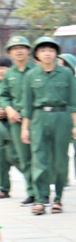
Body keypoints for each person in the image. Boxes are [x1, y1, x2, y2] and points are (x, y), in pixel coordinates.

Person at [21, 37, 76, 215]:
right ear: (37, 55)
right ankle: (40, 199)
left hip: (61, 116)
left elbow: (73, 102)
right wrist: (25, 128)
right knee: (39, 159)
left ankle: (58, 199)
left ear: (56, 54)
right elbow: (27, 104)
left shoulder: (66, 74)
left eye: (51, 50)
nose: (47, 54)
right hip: (39, 117)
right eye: (43, 51)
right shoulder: (31, 75)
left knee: (61, 160)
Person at [0, 35, 35, 205]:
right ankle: (33, 192)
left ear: (28, 51)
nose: (19, 51)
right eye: (14, 49)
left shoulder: (37, 70)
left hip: (36, 120)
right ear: (11, 52)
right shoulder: (10, 74)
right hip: (16, 120)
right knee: (24, 158)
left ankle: (43, 189)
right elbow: (4, 95)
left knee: (39, 157)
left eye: (22, 47)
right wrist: (9, 109)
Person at [58, 53, 76, 190]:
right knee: (60, 150)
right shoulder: (56, 80)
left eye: (63, 63)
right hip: (61, 117)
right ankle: (62, 178)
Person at [0, 57, 14, 199]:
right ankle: (3, 187)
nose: (1, 70)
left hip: (15, 124)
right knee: (1, 159)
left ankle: (37, 186)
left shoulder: (15, 83)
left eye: (4, 67)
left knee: (17, 157)